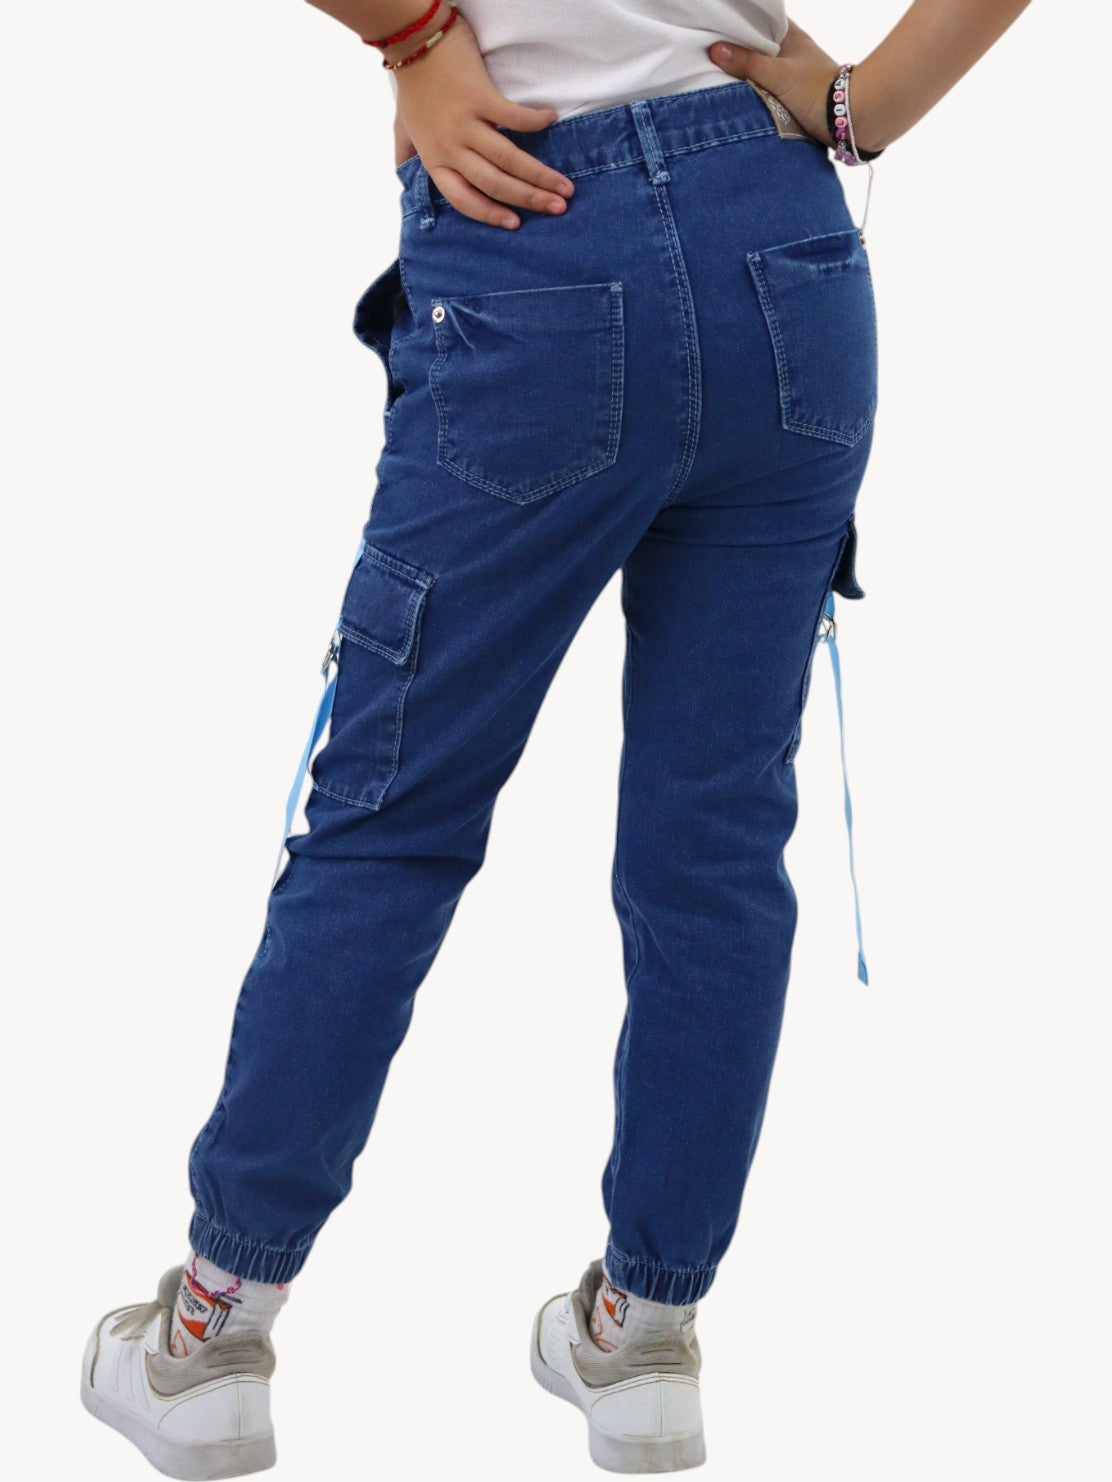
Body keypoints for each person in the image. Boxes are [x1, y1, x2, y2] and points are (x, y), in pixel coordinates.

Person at [80, 2, 1031, 1475]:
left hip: (534, 230)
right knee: (716, 846)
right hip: (780, 245)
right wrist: (867, 105)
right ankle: (645, 1335)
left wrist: (413, 35)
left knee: (392, 822)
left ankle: (208, 1339)